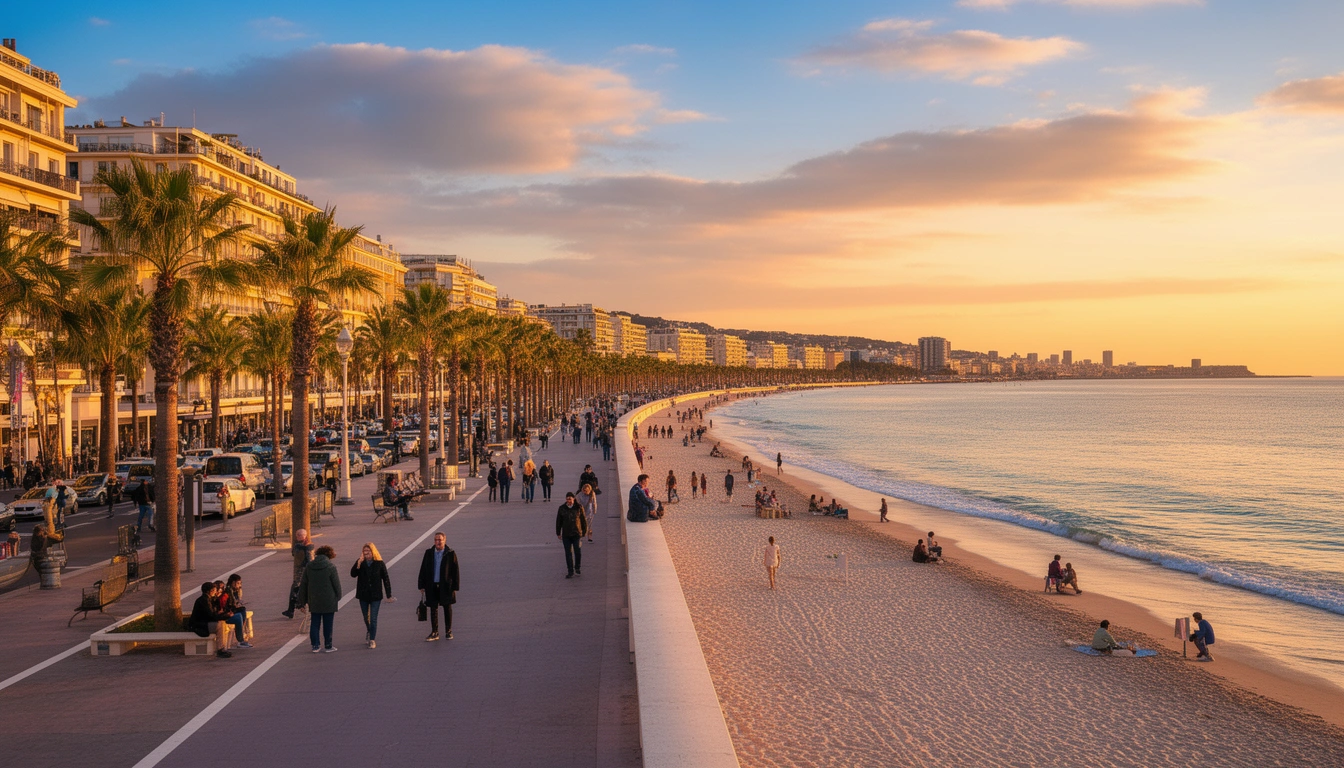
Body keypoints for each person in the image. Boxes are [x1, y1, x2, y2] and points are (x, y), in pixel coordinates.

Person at [297, 545, 342, 653]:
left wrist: (302, 601)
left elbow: (304, 584)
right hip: (329, 599)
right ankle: (328, 645)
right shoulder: (331, 566)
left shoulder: (309, 566)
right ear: (329, 555)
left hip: (314, 599)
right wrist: (337, 597)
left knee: (315, 623)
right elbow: (336, 585)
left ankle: (315, 645)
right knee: (328, 623)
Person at [351, 542, 394, 649]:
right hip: (363, 594)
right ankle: (369, 631)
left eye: (368, 552)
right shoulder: (360, 563)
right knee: (366, 618)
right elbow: (353, 574)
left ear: (372, 551)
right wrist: (358, 563)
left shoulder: (379, 563)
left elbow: (386, 579)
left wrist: (388, 594)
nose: (366, 554)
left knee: (373, 618)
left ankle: (372, 639)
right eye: (364, 552)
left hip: (375, 595)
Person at [418, 532, 460, 640]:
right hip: (431, 585)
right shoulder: (429, 553)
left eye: (440, 540)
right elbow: (423, 569)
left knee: (447, 607)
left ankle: (448, 631)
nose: (438, 542)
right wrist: (421, 585)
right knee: (433, 608)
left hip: (445, 586)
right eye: (436, 540)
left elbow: (455, 571)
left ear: (444, 540)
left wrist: (455, 586)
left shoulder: (450, 553)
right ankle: (434, 632)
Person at [189, 581, 234, 658]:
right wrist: (225, 616)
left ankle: (222, 648)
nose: (215, 592)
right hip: (200, 625)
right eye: (214, 590)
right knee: (219, 625)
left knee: (221, 623)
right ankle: (220, 649)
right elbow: (211, 615)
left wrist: (224, 614)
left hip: (205, 623)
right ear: (209, 591)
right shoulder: (204, 600)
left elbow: (214, 612)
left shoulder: (209, 599)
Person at [556, 492, 590, 579]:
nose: (569, 501)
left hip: (576, 533)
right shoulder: (562, 508)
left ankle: (577, 567)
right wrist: (558, 533)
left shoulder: (578, 507)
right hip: (566, 535)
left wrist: (584, 531)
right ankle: (570, 571)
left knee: (577, 551)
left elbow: (583, 521)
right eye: (567, 499)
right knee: (568, 553)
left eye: (570, 499)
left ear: (573, 499)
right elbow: (558, 521)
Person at [282, 529, 314, 619]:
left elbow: (309, 560)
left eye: (298, 535)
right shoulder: (301, 546)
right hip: (299, 573)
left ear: (303, 536)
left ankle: (298, 607)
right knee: (295, 590)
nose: (296, 537)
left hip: (302, 573)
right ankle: (292, 609)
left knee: (296, 590)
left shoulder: (307, 547)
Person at [220, 574, 252, 648]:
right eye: (238, 583)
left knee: (242, 610)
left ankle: (242, 633)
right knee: (239, 617)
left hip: (231, 610)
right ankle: (240, 640)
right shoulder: (228, 591)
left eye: (240, 583)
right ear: (233, 582)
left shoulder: (236, 591)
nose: (239, 585)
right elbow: (229, 604)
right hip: (227, 612)